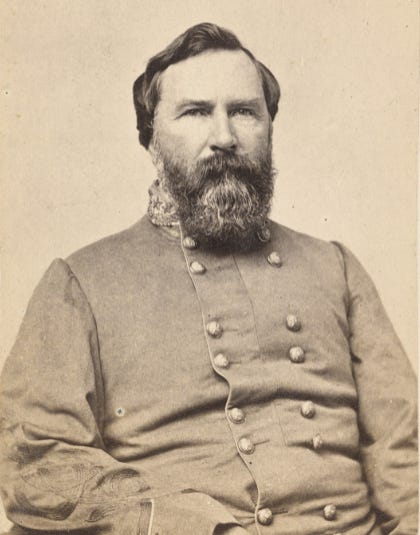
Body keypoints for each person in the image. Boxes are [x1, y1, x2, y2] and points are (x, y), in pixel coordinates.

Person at [0, 22, 417, 535]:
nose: (224, 137)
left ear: (268, 127)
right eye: (196, 112)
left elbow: (405, 459)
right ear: (150, 139)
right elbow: (37, 461)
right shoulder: (80, 284)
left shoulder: (335, 266)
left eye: (243, 112)